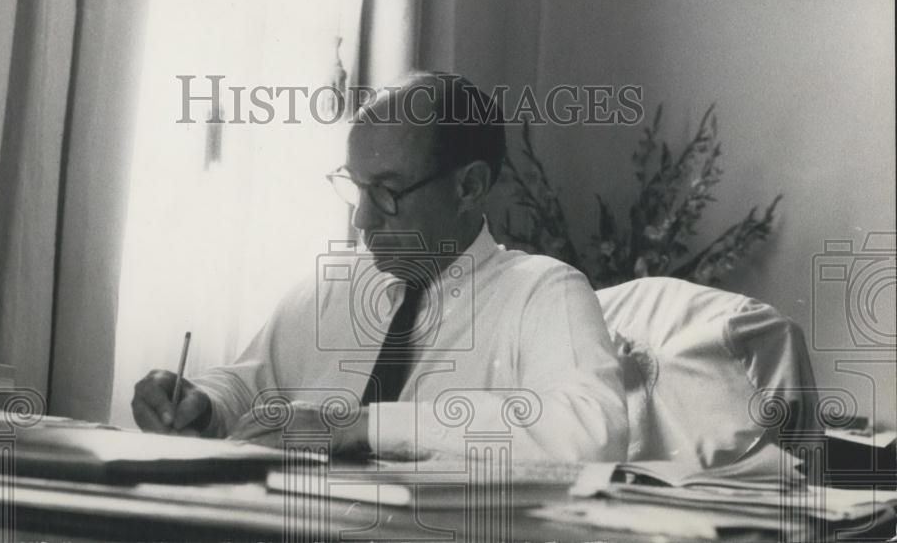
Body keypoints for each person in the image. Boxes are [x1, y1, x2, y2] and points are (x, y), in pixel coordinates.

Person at [132, 72, 628, 462]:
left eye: (388, 192)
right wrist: (201, 406)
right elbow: (249, 387)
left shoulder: (541, 292)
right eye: (357, 187)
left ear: (470, 187)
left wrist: (363, 426)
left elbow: (592, 434)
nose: (363, 219)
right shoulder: (334, 285)